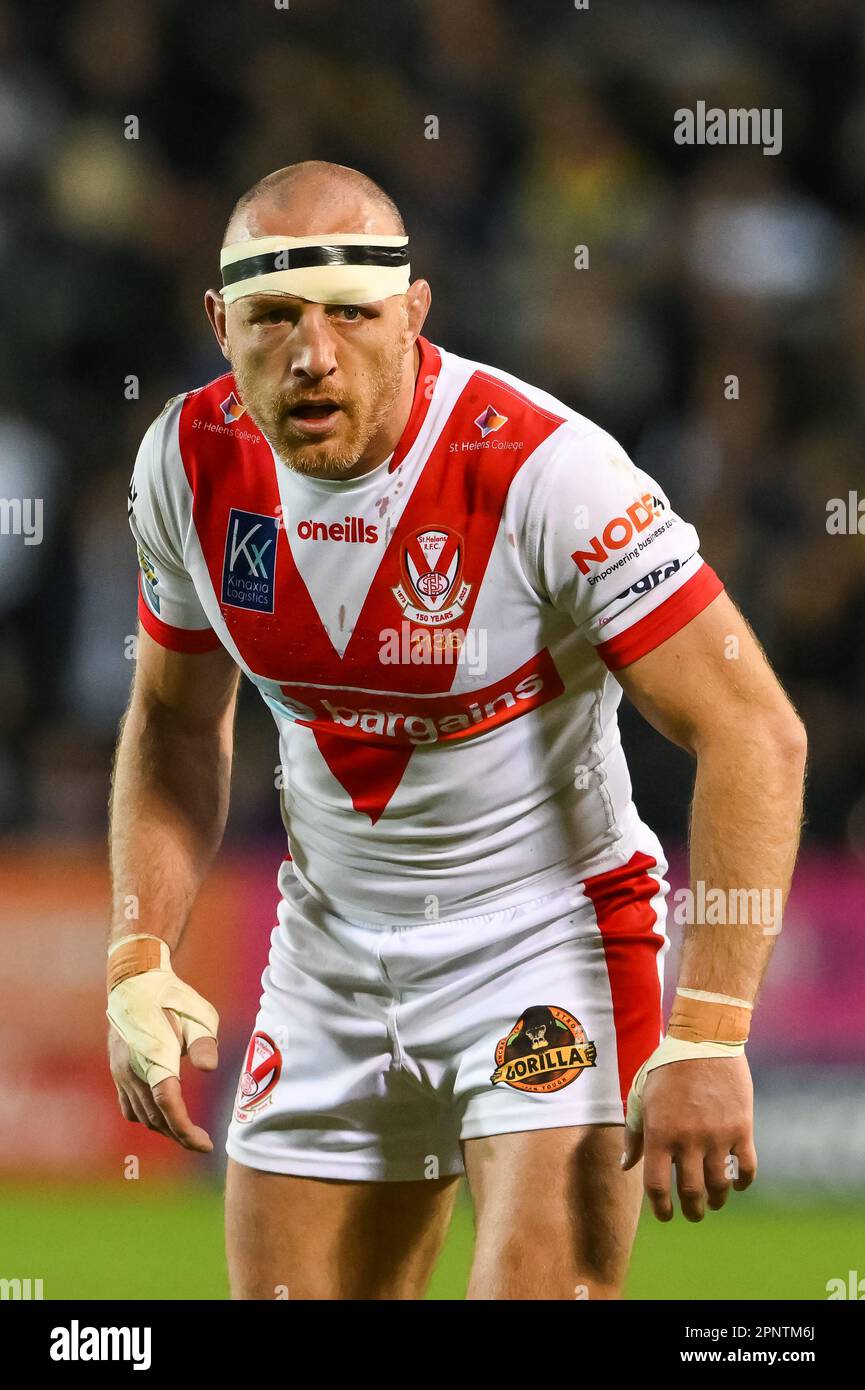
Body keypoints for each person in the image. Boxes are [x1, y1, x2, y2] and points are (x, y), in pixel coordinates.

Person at [107, 161, 807, 1300]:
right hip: (328, 954)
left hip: (545, 946)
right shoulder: (186, 464)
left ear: (415, 314)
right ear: (217, 324)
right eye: (272, 318)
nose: (312, 355)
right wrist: (138, 952)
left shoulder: (546, 471)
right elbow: (176, 723)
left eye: (350, 316)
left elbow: (754, 733)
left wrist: (712, 1029)